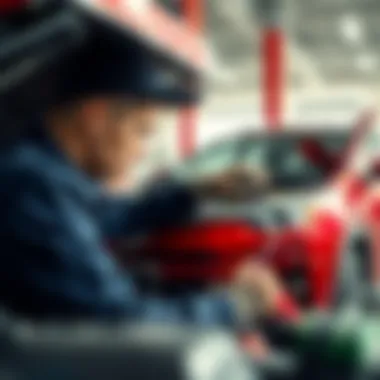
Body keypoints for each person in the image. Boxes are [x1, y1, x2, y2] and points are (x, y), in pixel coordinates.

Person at [0, 30, 272, 324]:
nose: (141, 152)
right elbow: (120, 323)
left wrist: (195, 190)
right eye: (141, 132)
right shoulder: (32, 184)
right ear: (96, 117)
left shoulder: (42, 170)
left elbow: (111, 216)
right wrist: (234, 305)